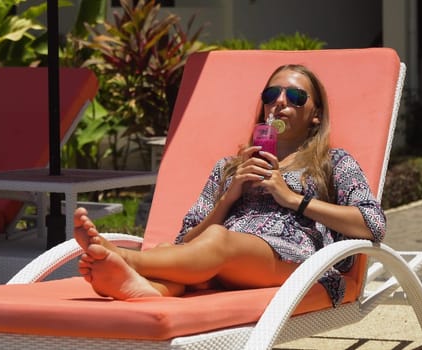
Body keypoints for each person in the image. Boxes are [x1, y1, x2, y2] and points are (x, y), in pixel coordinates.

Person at [73, 64, 386, 306]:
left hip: (294, 262)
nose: (279, 102)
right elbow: (188, 241)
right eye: (270, 95)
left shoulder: (333, 162)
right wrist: (229, 197)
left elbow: (373, 224)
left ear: (315, 114)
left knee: (218, 241)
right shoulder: (230, 166)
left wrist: (293, 199)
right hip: (224, 259)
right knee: (175, 250)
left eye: (294, 97)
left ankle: (129, 258)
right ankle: (145, 290)